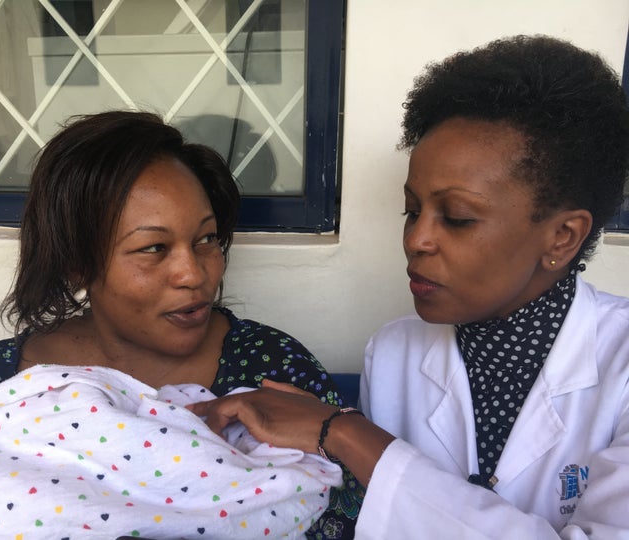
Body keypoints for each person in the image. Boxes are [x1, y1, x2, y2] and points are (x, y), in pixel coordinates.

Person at [190, 35, 629, 538]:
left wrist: (344, 432)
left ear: (562, 236)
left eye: (458, 218)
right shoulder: (395, 351)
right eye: (412, 210)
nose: (416, 239)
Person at [0, 111, 362, 538]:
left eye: (206, 239)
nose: (193, 274)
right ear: (78, 264)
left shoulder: (271, 367)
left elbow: (346, 512)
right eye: (154, 247)